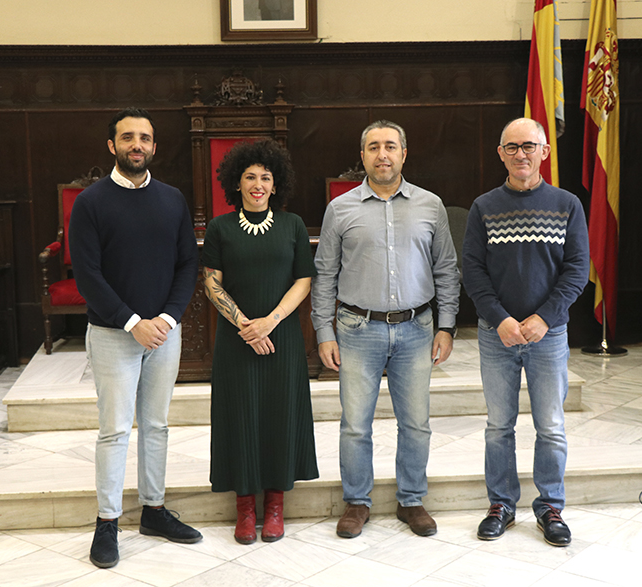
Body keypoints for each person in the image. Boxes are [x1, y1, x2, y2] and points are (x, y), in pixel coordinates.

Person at [312, 120, 460, 539]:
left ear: (403, 154)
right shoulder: (340, 209)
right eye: (374, 147)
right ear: (363, 156)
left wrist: (446, 325)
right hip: (358, 329)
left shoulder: (430, 205)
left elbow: (447, 270)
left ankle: (411, 499)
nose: (382, 154)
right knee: (356, 424)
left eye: (390, 146)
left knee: (415, 422)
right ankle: (357, 502)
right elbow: (324, 274)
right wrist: (324, 332)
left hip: (417, 329)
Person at [69, 107, 202, 569]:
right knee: (115, 430)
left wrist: (166, 317)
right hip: (112, 334)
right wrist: (133, 323)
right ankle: (107, 522)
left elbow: (188, 263)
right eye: (128, 138)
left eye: (145, 138)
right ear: (112, 146)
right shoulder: (90, 202)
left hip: (165, 332)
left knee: (158, 425)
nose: (137, 145)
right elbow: (87, 276)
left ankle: (154, 510)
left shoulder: (172, 199)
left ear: (154, 146)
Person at [461, 117, 589, 547]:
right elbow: (473, 272)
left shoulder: (567, 204)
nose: (521, 154)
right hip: (496, 334)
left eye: (529, 146)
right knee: (499, 425)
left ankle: (550, 506)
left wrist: (544, 318)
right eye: (512, 147)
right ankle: (501, 504)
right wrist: (501, 319)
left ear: (544, 152)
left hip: (548, 336)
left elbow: (577, 270)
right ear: (501, 153)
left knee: (551, 425)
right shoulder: (483, 207)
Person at [202, 139, 318, 544]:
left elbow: (303, 280)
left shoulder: (293, 225)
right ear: (237, 183)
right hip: (236, 343)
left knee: (277, 416)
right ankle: (245, 508)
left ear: (275, 184)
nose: (257, 184)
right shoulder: (220, 227)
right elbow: (211, 284)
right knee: (240, 419)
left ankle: (274, 507)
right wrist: (244, 326)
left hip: (281, 337)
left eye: (265, 177)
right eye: (250, 176)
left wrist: (269, 322)